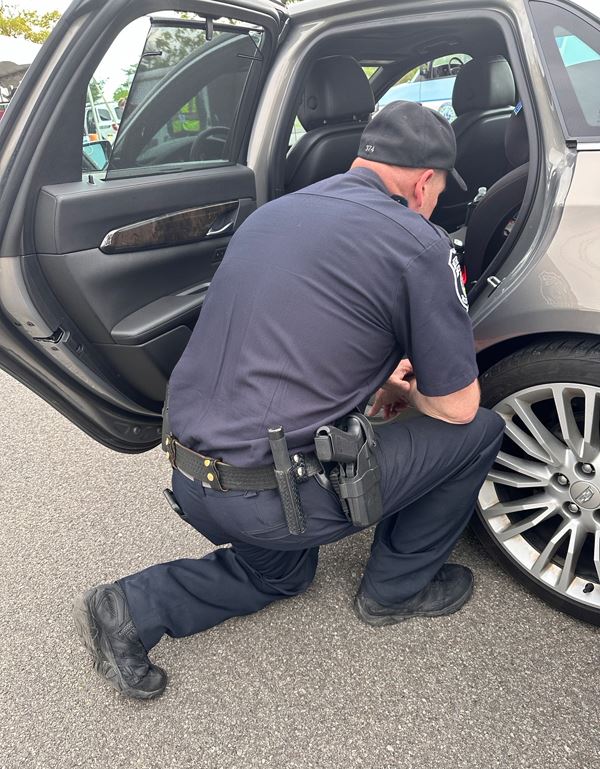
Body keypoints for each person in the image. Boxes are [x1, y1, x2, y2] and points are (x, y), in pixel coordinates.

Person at [73, 101, 505, 700]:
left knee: (282, 573)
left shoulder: (274, 214)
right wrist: (413, 396)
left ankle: (130, 604)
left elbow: (299, 340)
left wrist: (379, 384)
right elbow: (455, 409)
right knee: (478, 432)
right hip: (269, 500)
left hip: (188, 473)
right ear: (426, 180)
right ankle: (396, 590)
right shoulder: (417, 242)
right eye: (436, 192)